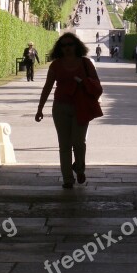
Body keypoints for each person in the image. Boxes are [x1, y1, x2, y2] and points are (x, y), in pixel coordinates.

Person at [35, 34, 102, 189]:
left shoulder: (85, 63)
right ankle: (67, 178)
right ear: (60, 48)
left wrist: (83, 82)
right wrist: (40, 108)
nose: (67, 48)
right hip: (61, 107)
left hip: (81, 106)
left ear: (76, 45)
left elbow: (96, 84)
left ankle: (79, 168)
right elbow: (48, 87)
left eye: (70, 44)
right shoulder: (56, 65)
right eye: (64, 45)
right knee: (64, 145)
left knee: (79, 142)